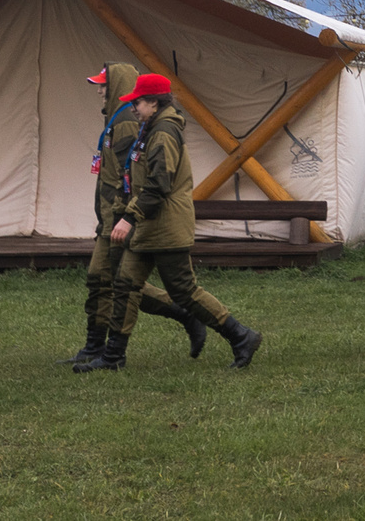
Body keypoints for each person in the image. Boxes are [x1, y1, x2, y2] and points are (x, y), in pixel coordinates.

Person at [87, 73, 263, 373]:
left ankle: (241, 335)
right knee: (125, 286)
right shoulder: (151, 128)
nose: (134, 108)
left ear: (154, 103)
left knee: (184, 290)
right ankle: (113, 357)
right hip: (148, 228)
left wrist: (128, 218)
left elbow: (159, 183)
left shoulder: (164, 132)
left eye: (139, 102)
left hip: (166, 227)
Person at [69, 63, 207, 370]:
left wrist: (123, 217)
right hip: (111, 217)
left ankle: (183, 317)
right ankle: (97, 347)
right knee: (104, 280)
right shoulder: (117, 122)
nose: (100, 90)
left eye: (104, 85)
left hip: (121, 219)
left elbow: (131, 179)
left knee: (124, 284)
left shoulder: (132, 126)